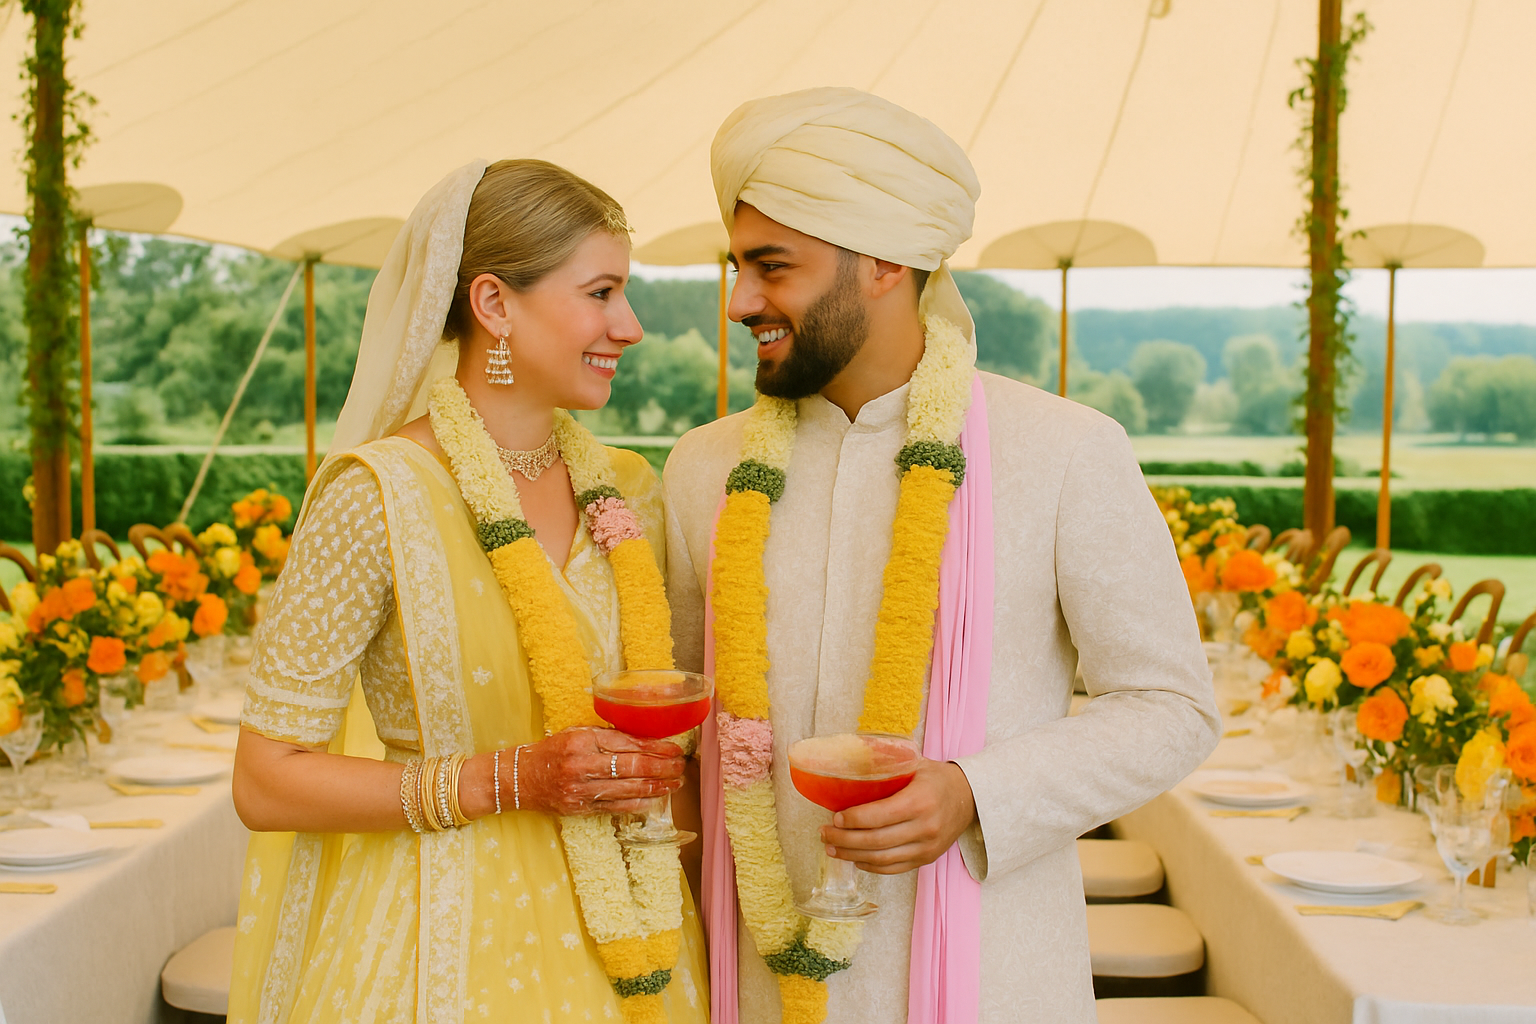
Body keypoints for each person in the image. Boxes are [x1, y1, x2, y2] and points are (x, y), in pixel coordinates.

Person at [663, 88, 1220, 1024]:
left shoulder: (1063, 450)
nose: (740, 302)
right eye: (738, 267)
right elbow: (683, 717)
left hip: (990, 975)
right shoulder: (702, 469)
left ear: (884, 261)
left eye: (772, 267)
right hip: (751, 976)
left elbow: (1171, 705)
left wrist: (973, 793)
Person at [228, 159, 709, 1024]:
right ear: (493, 306)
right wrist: (510, 779)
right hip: (435, 943)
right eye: (600, 292)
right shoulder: (376, 495)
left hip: (636, 940)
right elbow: (266, 783)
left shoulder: (632, 492)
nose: (630, 326)